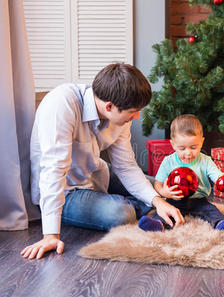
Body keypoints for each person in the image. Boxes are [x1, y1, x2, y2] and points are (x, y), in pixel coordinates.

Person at [21, 63, 185, 259]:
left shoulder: (119, 114)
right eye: (133, 111)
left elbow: (126, 166)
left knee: (162, 188)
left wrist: (157, 200)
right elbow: (53, 172)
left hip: (95, 171)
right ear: (109, 106)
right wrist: (50, 235)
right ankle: (134, 207)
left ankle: (145, 207)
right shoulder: (62, 104)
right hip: (65, 190)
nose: (137, 116)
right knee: (121, 214)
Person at [138, 114, 224, 232]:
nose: (188, 153)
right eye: (182, 148)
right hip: (174, 200)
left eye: (193, 147)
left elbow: (217, 176)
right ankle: (157, 224)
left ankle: (221, 223)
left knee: (211, 210)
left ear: (201, 142)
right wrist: (165, 192)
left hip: (199, 200)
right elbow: (158, 184)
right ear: (173, 144)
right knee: (167, 212)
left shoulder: (206, 161)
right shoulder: (168, 161)